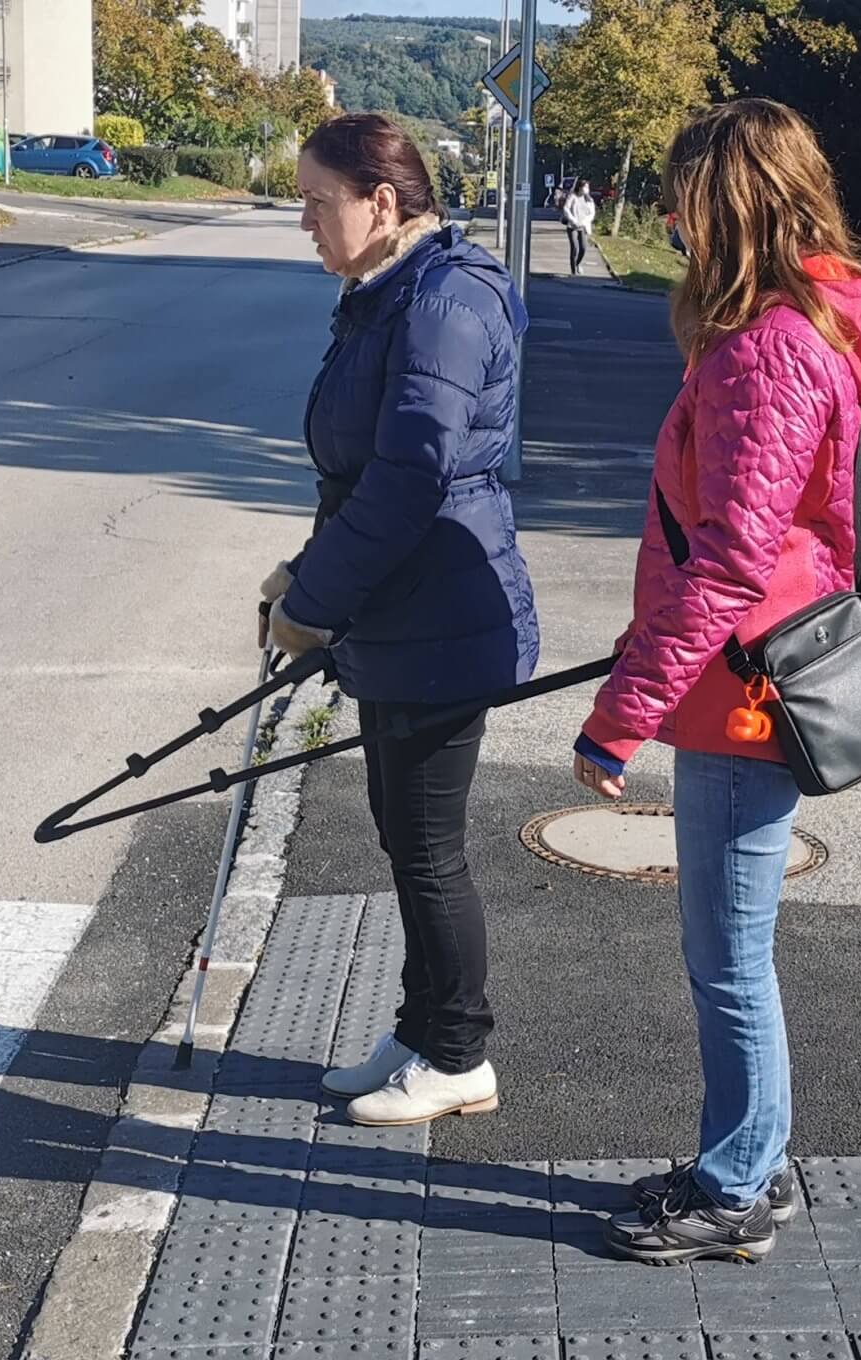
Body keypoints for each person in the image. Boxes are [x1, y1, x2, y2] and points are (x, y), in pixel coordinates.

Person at [569, 98, 861, 1262]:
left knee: (725, 957)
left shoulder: (766, 347)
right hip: (736, 679)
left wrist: (619, 720)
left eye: (687, 198)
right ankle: (744, 1161)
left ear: (740, 204)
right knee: (730, 950)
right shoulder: (780, 332)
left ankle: (733, 1189)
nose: (669, 217)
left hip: (742, 694)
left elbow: (729, 560)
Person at [263, 112, 539, 1128]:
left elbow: (411, 472)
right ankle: (423, 1029)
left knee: (427, 845)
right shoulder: (383, 294)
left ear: (381, 204)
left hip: (441, 615)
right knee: (400, 830)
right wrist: (304, 572)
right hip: (399, 612)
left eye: (315, 202)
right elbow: (357, 470)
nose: (304, 222)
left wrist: (314, 600)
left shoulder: (444, 302)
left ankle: (459, 1053)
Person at [563, 182, 598, 275]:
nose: (586, 189)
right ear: (580, 187)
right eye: (585, 187)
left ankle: (577, 263)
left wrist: (585, 221)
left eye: (588, 187)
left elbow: (592, 213)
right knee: (574, 247)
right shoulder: (573, 196)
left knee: (583, 248)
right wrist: (573, 220)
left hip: (583, 226)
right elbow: (566, 208)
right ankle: (573, 270)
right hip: (572, 226)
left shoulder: (589, 199)